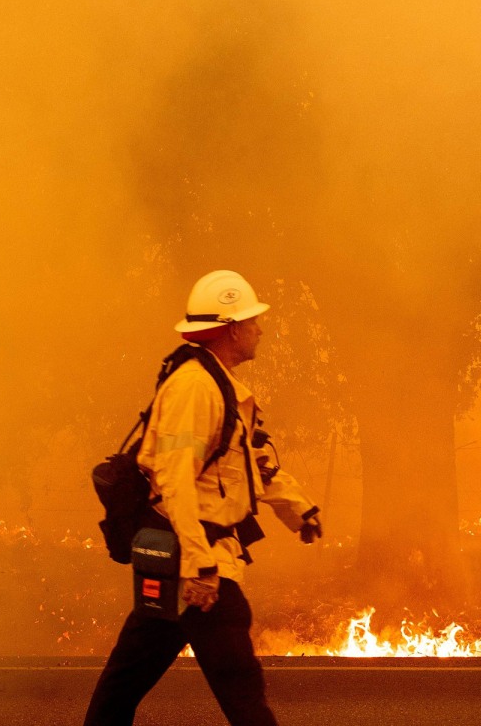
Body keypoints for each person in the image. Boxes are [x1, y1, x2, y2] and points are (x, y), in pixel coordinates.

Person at [84, 270, 323, 726]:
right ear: (231, 329)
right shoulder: (195, 388)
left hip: (179, 557)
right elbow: (175, 480)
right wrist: (199, 567)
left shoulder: (217, 385)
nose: (260, 329)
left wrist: (299, 509)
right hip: (194, 560)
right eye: (252, 321)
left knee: (126, 679)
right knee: (241, 688)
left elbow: (245, 467)